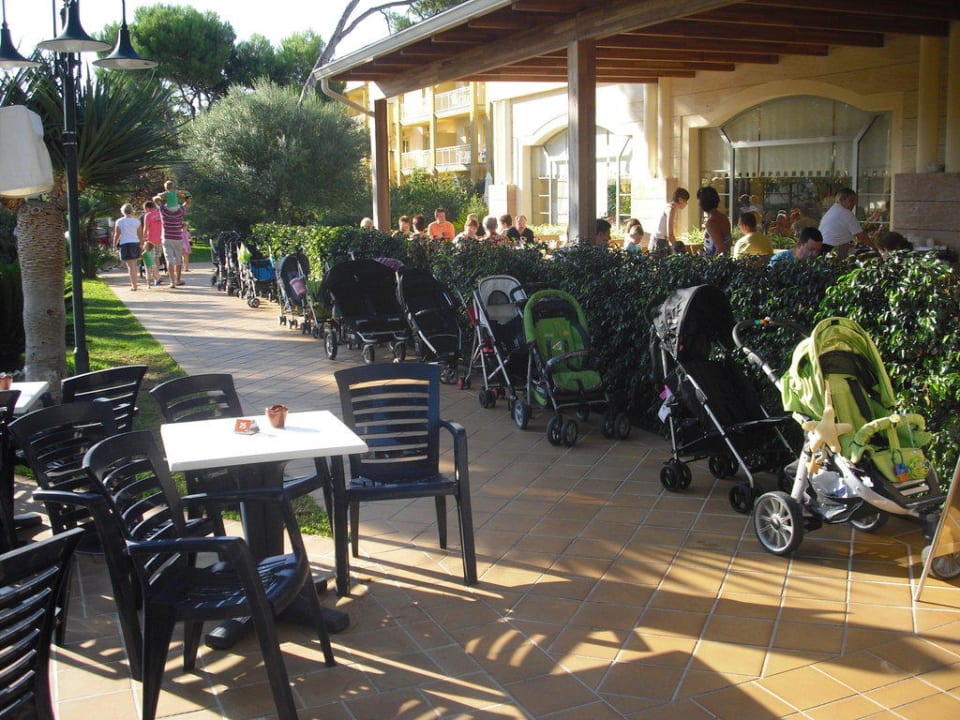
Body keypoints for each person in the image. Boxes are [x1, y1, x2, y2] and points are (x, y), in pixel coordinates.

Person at [819, 188, 878, 258]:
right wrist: (875, 247)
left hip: (822, 246)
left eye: (854, 201)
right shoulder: (845, 213)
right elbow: (861, 235)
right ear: (841, 200)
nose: (854, 204)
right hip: (833, 248)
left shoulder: (833, 210)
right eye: (851, 201)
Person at [160, 193, 190, 288]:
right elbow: (188, 200)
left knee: (169, 260)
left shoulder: (164, 211)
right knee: (178, 260)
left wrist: (165, 193)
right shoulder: (180, 211)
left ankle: (172, 282)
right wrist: (179, 193)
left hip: (167, 237)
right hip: (177, 237)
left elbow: (155, 199)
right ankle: (178, 280)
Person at [113, 203, 142, 291]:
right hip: (135, 243)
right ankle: (135, 284)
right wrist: (141, 244)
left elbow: (117, 234)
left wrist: (114, 245)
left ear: (123, 211)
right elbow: (140, 234)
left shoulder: (119, 221)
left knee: (130, 266)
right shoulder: (137, 221)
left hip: (125, 243)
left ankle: (134, 285)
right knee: (134, 265)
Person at [696, 186, 730, 255]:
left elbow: (720, 248)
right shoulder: (723, 217)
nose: (698, 204)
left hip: (715, 262)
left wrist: (711, 263)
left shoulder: (711, 222)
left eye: (699, 200)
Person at [654, 188, 690, 254]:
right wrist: (680, 251)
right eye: (686, 201)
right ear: (680, 200)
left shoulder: (667, 206)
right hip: (660, 242)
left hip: (658, 241)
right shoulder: (671, 209)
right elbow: (670, 235)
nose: (686, 204)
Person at [142, 199, 164, 285]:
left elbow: (146, 228)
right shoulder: (160, 213)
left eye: (144, 208)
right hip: (160, 239)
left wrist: (143, 238)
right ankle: (156, 277)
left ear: (147, 208)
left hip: (151, 240)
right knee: (157, 258)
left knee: (150, 259)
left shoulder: (148, 215)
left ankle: (155, 277)